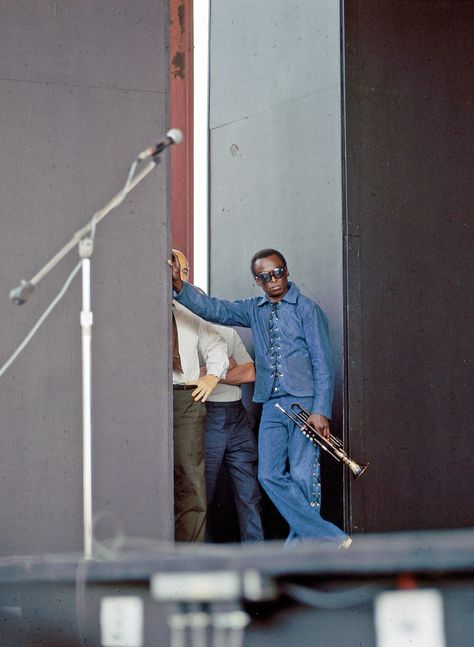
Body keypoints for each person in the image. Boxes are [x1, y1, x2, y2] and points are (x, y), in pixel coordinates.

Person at [170, 248, 351, 547]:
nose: (274, 280)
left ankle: (297, 555)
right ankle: (331, 538)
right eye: (265, 276)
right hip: (271, 405)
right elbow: (215, 309)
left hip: (305, 404)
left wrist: (321, 410)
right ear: (257, 281)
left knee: (304, 478)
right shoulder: (254, 309)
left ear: (287, 270)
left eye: (278, 272)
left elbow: (323, 363)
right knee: (268, 476)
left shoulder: (307, 309)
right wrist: (179, 286)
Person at [175, 250, 264, 543]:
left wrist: (213, 372)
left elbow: (250, 372)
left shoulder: (225, 330)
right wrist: (224, 369)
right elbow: (186, 376)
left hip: (236, 417)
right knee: (202, 493)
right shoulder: (182, 325)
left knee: (249, 494)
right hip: (205, 416)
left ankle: (257, 557)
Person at [171, 249, 228, 542]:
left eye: (184, 271)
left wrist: (211, 376)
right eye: (176, 268)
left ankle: (187, 561)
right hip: (141, 398)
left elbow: (216, 345)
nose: (180, 275)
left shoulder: (189, 308)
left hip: (184, 398)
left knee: (190, 484)